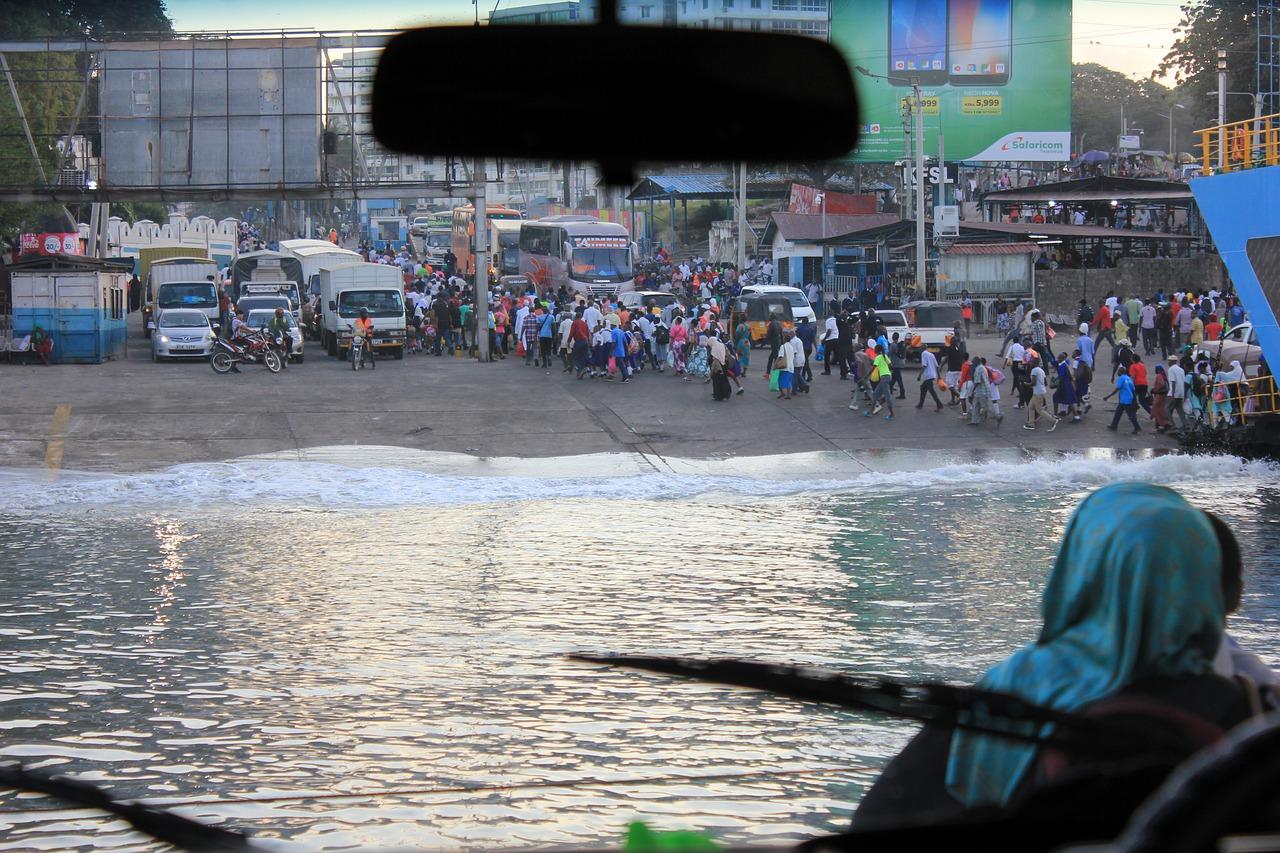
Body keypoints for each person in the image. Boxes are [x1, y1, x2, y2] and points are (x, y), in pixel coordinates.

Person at [853, 484, 1262, 828]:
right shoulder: (1253, 712)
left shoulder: (1015, 688)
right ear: (1207, 584)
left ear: (1079, 571)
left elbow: (881, 819)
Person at [1023, 355, 1057, 431]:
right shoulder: (1041, 370)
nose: (1030, 363)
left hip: (1037, 393)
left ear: (1034, 363)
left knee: (1039, 410)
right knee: (1031, 407)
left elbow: (1033, 382)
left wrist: (1026, 384)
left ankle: (1053, 420)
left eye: (1031, 362)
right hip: (1040, 391)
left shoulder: (1034, 370)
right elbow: (1045, 382)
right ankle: (1031, 423)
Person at [1105, 366, 1141, 433]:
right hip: (1128, 398)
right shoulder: (1128, 378)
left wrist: (1108, 396)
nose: (1117, 372)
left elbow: (1117, 389)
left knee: (1130, 414)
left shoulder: (1121, 378)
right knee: (1118, 412)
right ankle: (1114, 425)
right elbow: (1133, 389)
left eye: (1118, 371)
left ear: (1121, 372)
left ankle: (1137, 427)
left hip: (1125, 400)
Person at [865, 344, 894, 420]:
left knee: (887, 396)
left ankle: (892, 414)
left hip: (884, 378)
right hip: (887, 376)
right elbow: (891, 365)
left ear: (877, 350)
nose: (874, 350)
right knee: (875, 394)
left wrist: (867, 375)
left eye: (875, 349)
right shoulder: (884, 356)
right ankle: (870, 412)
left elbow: (873, 368)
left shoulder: (877, 357)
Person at [917, 347, 944, 411]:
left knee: (931, 391)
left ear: (922, 349)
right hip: (932, 375)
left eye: (919, 349)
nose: (919, 350)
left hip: (928, 375)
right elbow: (937, 366)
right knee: (923, 388)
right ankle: (920, 404)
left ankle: (939, 404)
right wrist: (939, 376)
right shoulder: (931, 354)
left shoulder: (923, 353)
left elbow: (924, 365)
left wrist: (919, 375)